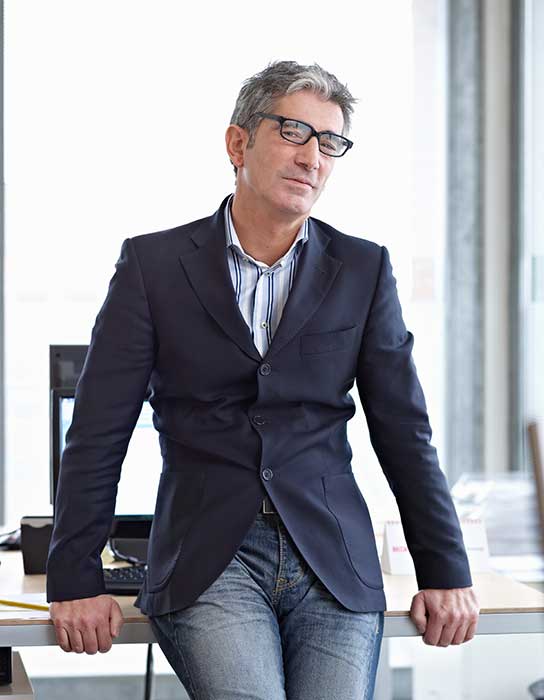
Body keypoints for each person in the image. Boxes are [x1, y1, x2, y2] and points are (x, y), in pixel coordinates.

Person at [46, 60, 480, 698]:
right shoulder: (153, 266)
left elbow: (404, 431)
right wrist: (75, 576)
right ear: (237, 143)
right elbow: (97, 432)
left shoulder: (362, 269)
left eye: (329, 143)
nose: (312, 157)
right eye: (293, 132)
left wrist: (444, 568)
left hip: (330, 557)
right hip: (208, 558)